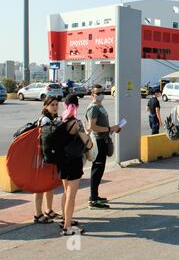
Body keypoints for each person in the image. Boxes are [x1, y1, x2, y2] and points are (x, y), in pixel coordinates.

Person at [59, 95, 92, 236]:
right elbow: (89, 144)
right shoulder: (76, 123)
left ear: (65, 106)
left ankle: (65, 219)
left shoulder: (60, 121)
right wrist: (87, 135)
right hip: (74, 163)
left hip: (62, 162)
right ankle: (67, 227)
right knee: (71, 196)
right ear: (77, 106)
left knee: (66, 193)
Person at [86, 84, 121, 210]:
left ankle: (95, 195)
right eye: (97, 93)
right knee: (97, 170)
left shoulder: (100, 106)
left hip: (103, 139)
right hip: (98, 142)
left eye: (102, 92)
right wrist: (110, 128)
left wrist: (113, 129)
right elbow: (92, 126)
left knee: (100, 170)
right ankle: (93, 199)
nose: (101, 95)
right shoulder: (93, 108)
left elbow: (102, 126)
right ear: (92, 95)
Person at [33, 97, 64, 224]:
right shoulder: (45, 120)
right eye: (52, 105)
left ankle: (49, 210)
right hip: (42, 158)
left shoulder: (53, 118)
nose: (55, 107)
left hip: (48, 157)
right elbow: (47, 140)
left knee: (49, 186)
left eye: (56, 104)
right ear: (45, 106)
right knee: (40, 187)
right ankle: (37, 214)